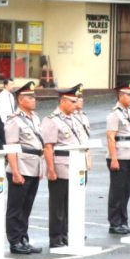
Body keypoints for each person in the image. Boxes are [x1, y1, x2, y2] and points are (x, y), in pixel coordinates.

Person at [41, 85, 90, 248]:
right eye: (72, 101)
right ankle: (56, 237)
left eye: (76, 101)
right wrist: (51, 170)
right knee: (58, 205)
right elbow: (48, 147)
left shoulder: (75, 118)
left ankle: (68, 233)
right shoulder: (52, 120)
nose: (76, 104)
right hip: (61, 167)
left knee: (72, 203)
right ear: (62, 101)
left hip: (77, 166)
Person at [4, 81, 44, 254]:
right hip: (20, 167)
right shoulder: (14, 120)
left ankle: (23, 238)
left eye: (34, 97)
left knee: (26, 207)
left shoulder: (35, 118)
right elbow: (11, 147)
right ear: (20, 100)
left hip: (34, 166)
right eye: (29, 97)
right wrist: (15, 171)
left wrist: (41, 168)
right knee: (16, 207)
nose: (34, 100)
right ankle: (15, 241)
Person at [106, 85, 130, 234]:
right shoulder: (114, 114)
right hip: (119, 156)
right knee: (117, 191)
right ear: (120, 96)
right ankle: (115, 223)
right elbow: (111, 137)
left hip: (129, 154)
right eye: (128, 95)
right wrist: (114, 158)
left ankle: (123, 221)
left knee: (126, 190)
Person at [0, 78, 16, 149]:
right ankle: (2, 155)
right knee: (3, 140)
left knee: (10, 141)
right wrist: (5, 123)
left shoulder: (11, 95)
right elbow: (1, 111)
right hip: (4, 120)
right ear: (5, 85)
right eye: (11, 84)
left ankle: (8, 155)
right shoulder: (2, 95)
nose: (12, 86)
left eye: (13, 84)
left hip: (11, 120)